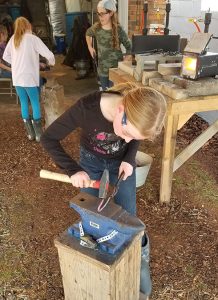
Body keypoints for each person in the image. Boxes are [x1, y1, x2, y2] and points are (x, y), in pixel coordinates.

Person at [40, 82, 167, 297]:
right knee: (92, 219)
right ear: (120, 110)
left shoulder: (133, 113)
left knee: (130, 222)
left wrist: (129, 158)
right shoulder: (86, 109)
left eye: (133, 137)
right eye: (126, 131)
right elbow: (48, 138)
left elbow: (134, 136)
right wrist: (73, 170)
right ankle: (95, 277)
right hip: (91, 165)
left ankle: (138, 274)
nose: (127, 139)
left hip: (121, 166)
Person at [3, 17, 55, 142]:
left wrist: (16, 64)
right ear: (28, 26)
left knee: (24, 102)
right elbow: (49, 54)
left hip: (17, 77)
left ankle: (30, 134)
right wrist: (51, 63)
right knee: (35, 102)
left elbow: (6, 56)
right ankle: (38, 135)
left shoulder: (13, 39)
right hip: (29, 77)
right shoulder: (33, 39)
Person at [86, 0, 132, 91]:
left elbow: (130, 48)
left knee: (115, 95)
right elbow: (88, 33)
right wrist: (90, 47)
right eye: (98, 14)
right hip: (102, 71)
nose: (100, 17)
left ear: (111, 13)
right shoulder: (96, 27)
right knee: (106, 94)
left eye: (103, 13)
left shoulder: (119, 30)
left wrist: (124, 63)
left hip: (116, 71)